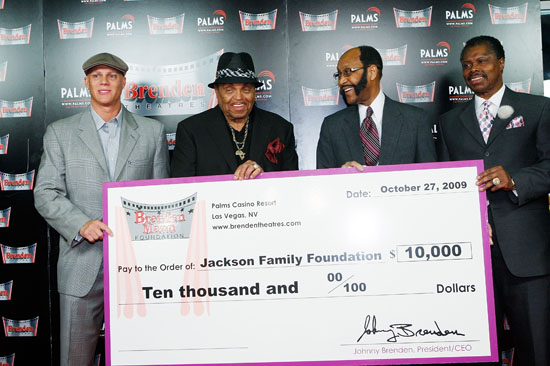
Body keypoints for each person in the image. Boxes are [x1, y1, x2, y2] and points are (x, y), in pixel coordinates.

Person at [34, 52, 169, 366]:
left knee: (142, 357)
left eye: (111, 75)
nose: (104, 82)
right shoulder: (60, 132)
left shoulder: (152, 132)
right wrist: (81, 224)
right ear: (86, 83)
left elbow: (161, 196)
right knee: (75, 359)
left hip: (140, 269)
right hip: (81, 264)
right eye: (97, 76)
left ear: (123, 82)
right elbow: (45, 193)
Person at [437, 35, 550, 365]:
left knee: (537, 351)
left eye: (482, 60)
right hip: (470, 256)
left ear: (501, 63)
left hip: (527, 256)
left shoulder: (538, 108)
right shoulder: (448, 123)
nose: (473, 69)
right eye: (467, 64)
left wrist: (515, 180)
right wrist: (465, 220)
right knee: (473, 350)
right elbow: (446, 185)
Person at [171, 52, 298, 178]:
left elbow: (291, 184)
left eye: (246, 89)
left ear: (254, 91)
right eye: (229, 90)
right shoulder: (191, 130)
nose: (238, 97)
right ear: (216, 91)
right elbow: (181, 187)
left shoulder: (280, 128)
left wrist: (262, 175)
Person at [316, 46, 436, 169]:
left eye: (347, 72)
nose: (341, 81)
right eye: (339, 75)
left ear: (372, 72)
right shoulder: (331, 126)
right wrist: (340, 176)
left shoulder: (416, 120)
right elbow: (322, 183)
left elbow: (430, 177)